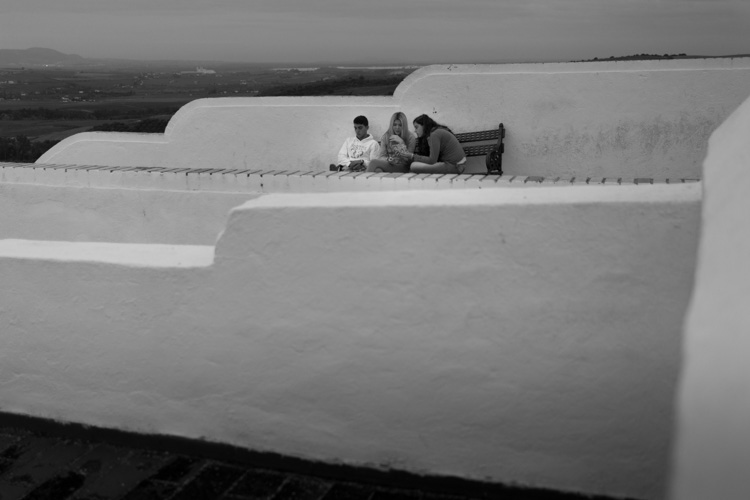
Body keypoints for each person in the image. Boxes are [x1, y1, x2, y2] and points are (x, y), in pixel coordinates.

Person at [398, 114, 466, 174]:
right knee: (414, 167)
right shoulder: (435, 132)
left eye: (416, 127)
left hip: (455, 166)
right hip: (457, 164)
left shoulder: (434, 135)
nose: (415, 131)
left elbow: (432, 160)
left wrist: (412, 156)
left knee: (413, 166)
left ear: (424, 126)